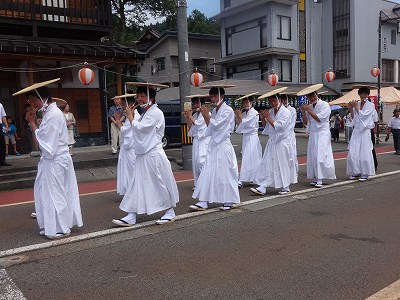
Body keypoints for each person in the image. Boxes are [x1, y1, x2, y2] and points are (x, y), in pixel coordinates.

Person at [14, 78, 83, 239]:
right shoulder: (51, 114)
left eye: (33, 100)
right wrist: (37, 123)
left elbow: (47, 145)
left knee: (55, 193)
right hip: (54, 160)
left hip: (55, 160)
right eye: (30, 101)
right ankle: (53, 225)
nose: (33, 104)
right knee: (47, 192)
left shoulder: (52, 115)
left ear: (41, 98)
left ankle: (61, 227)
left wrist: (32, 123)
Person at [112, 83, 179, 226]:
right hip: (143, 155)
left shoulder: (156, 113)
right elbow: (135, 130)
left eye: (143, 96)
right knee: (136, 185)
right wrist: (130, 118)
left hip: (153, 155)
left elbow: (141, 130)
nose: (140, 99)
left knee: (158, 183)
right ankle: (131, 214)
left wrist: (130, 117)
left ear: (152, 98)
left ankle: (169, 211)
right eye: (138, 96)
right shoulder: (145, 114)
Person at [190, 85, 240, 211]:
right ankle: (203, 200)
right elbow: (210, 127)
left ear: (221, 96)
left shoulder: (227, 110)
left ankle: (229, 199)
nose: (212, 99)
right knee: (208, 171)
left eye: (214, 96)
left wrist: (206, 114)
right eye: (211, 96)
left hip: (223, 145)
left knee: (226, 173)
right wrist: (206, 115)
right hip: (214, 145)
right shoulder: (215, 111)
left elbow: (217, 126)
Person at [250, 87, 297, 195]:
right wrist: (263, 117)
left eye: (274, 101)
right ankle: (263, 186)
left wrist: (268, 117)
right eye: (270, 101)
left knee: (282, 164)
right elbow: (268, 128)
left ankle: (286, 187)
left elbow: (279, 127)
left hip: (282, 142)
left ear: (279, 100)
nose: (272, 103)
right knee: (267, 163)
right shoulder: (271, 112)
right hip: (272, 141)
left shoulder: (286, 112)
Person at [298, 84, 336, 188]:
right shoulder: (309, 107)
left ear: (317, 95)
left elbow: (320, 119)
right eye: (310, 97)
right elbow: (306, 123)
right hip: (314, 134)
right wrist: (303, 112)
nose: (312, 98)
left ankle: (320, 178)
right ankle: (316, 177)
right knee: (313, 156)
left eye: (313, 96)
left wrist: (308, 110)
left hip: (323, 133)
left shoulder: (324, 105)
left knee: (321, 155)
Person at [112, 94, 140, 196]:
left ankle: (134, 192)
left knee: (131, 171)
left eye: (124, 104)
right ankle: (129, 191)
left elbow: (125, 131)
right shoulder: (130, 117)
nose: (122, 107)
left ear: (131, 105)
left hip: (132, 149)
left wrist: (118, 120)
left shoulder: (135, 117)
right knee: (126, 171)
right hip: (127, 148)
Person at [346, 86, 376, 181]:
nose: (363, 96)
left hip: (364, 131)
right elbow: (354, 117)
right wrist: (351, 108)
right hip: (356, 131)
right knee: (353, 153)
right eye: (361, 94)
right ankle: (356, 171)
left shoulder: (371, 105)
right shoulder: (357, 104)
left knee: (364, 153)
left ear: (367, 95)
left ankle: (365, 173)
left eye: (365, 94)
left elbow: (364, 116)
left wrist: (355, 106)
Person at [234, 93, 262, 188]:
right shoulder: (245, 113)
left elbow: (247, 124)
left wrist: (239, 116)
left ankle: (242, 180)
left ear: (251, 102)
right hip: (246, 138)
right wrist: (237, 116)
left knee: (249, 158)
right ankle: (253, 178)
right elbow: (241, 125)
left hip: (252, 138)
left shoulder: (254, 112)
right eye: (244, 103)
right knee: (250, 158)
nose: (245, 104)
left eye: (247, 102)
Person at [183, 95, 211, 190]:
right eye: (194, 103)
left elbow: (199, 125)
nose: (195, 105)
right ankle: (198, 184)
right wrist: (187, 118)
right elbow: (192, 127)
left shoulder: (206, 114)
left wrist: (190, 117)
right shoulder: (195, 115)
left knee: (201, 162)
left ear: (202, 103)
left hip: (204, 141)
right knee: (195, 163)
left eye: (197, 103)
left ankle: (206, 182)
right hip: (196, 141)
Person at [280, 92, 299, 182]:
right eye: (282, 99)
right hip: (282, 135)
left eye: (285, 99)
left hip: (289, 135)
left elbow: (290, 124)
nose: (283, 101)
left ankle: (294, 172)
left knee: (292, 154)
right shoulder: (279, 110)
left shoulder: (292, 110)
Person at [0, 101, 11, 166]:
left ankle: (2, 161)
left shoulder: (0, 105)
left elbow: (3, 116)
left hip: (0, 125)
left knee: (2, 143)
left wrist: (6, 125)